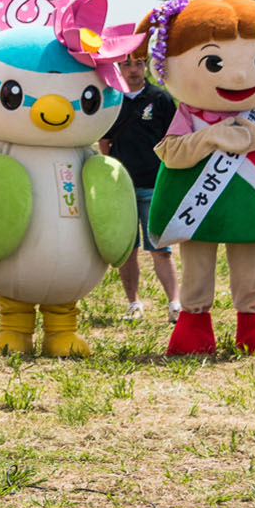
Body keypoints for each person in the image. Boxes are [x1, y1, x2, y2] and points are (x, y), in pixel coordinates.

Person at [98, 50, 181, 322]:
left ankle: (174, 304)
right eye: (126, 64)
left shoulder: (161, 99)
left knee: (161, 249)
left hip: (154, 184)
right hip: (121, 188)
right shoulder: (111, 98)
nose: (133, 69)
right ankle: (133, 304)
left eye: (138, 63)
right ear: (118, 68)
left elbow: (174, 138)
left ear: (146, 65)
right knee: (127, 251)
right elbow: (105, 142)